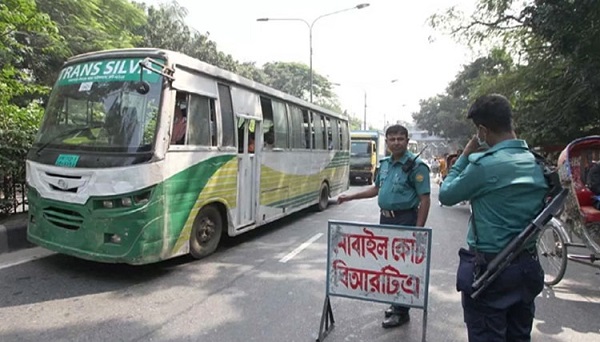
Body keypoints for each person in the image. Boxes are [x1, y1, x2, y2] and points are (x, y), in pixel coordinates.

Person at [439, 94, 548, 342]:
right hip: (527, 267)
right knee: (519, 336)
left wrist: (466, 154)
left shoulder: (484, 165)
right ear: (511, 121)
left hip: (491, 271)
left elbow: (446, 194)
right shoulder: (536, 163)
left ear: (482, 130)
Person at [337, 124, 431, 329]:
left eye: (400, 138)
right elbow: (376, 189)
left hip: (405, 220)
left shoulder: (417, 166)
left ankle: (401, 311)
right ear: (386, 142)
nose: (396, 142)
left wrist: (418, 231)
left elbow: (425, 199)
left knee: (402, 267)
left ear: (407, 141)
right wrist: (350, 196)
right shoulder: (385, 165)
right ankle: (396, 303)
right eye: (392, 139)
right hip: (385, 221)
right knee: (388, 264)